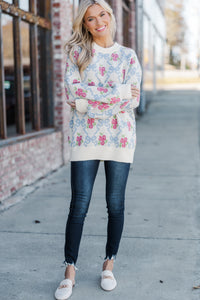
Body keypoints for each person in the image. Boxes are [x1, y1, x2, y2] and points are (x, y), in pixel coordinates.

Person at [55, 0, 142, 299]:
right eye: (91, 19)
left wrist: (85, 105)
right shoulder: (77, 53)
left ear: (111, 16)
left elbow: (131, 101)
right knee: (79, 205)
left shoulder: (128, 57)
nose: (98, 21)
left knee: (115, 204)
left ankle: (109, 265)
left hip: (120, 138)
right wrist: (113, 96)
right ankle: (69, 271)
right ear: (85, 24)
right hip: (84, 140)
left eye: (102, 14)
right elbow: (71, 90)